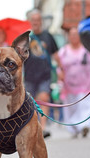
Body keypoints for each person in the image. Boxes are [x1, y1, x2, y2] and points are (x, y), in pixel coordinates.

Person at [57, 27, 90, 138]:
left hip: (87, 85)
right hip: (70, 86)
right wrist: (60, 74)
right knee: (72, 108)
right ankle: (74, 128)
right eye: (71, 35)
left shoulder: (87, 50)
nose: (73, 37)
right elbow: (59, 67)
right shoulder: (64, 51)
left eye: (76, 34)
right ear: (68, 37)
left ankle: (84, 126)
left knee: (87, 105)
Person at [25, 9, 60, 138]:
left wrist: (61, 70)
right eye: (33, 20)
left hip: (45, 75)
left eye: (38, 20)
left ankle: (42, 128)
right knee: (30, 104)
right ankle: (33, 128)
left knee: (43, 99)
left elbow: (56, 54)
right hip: (29, 76)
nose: (36, 22)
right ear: (30, 22)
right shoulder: (26, 37)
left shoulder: (48, 36)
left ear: (41, 21)